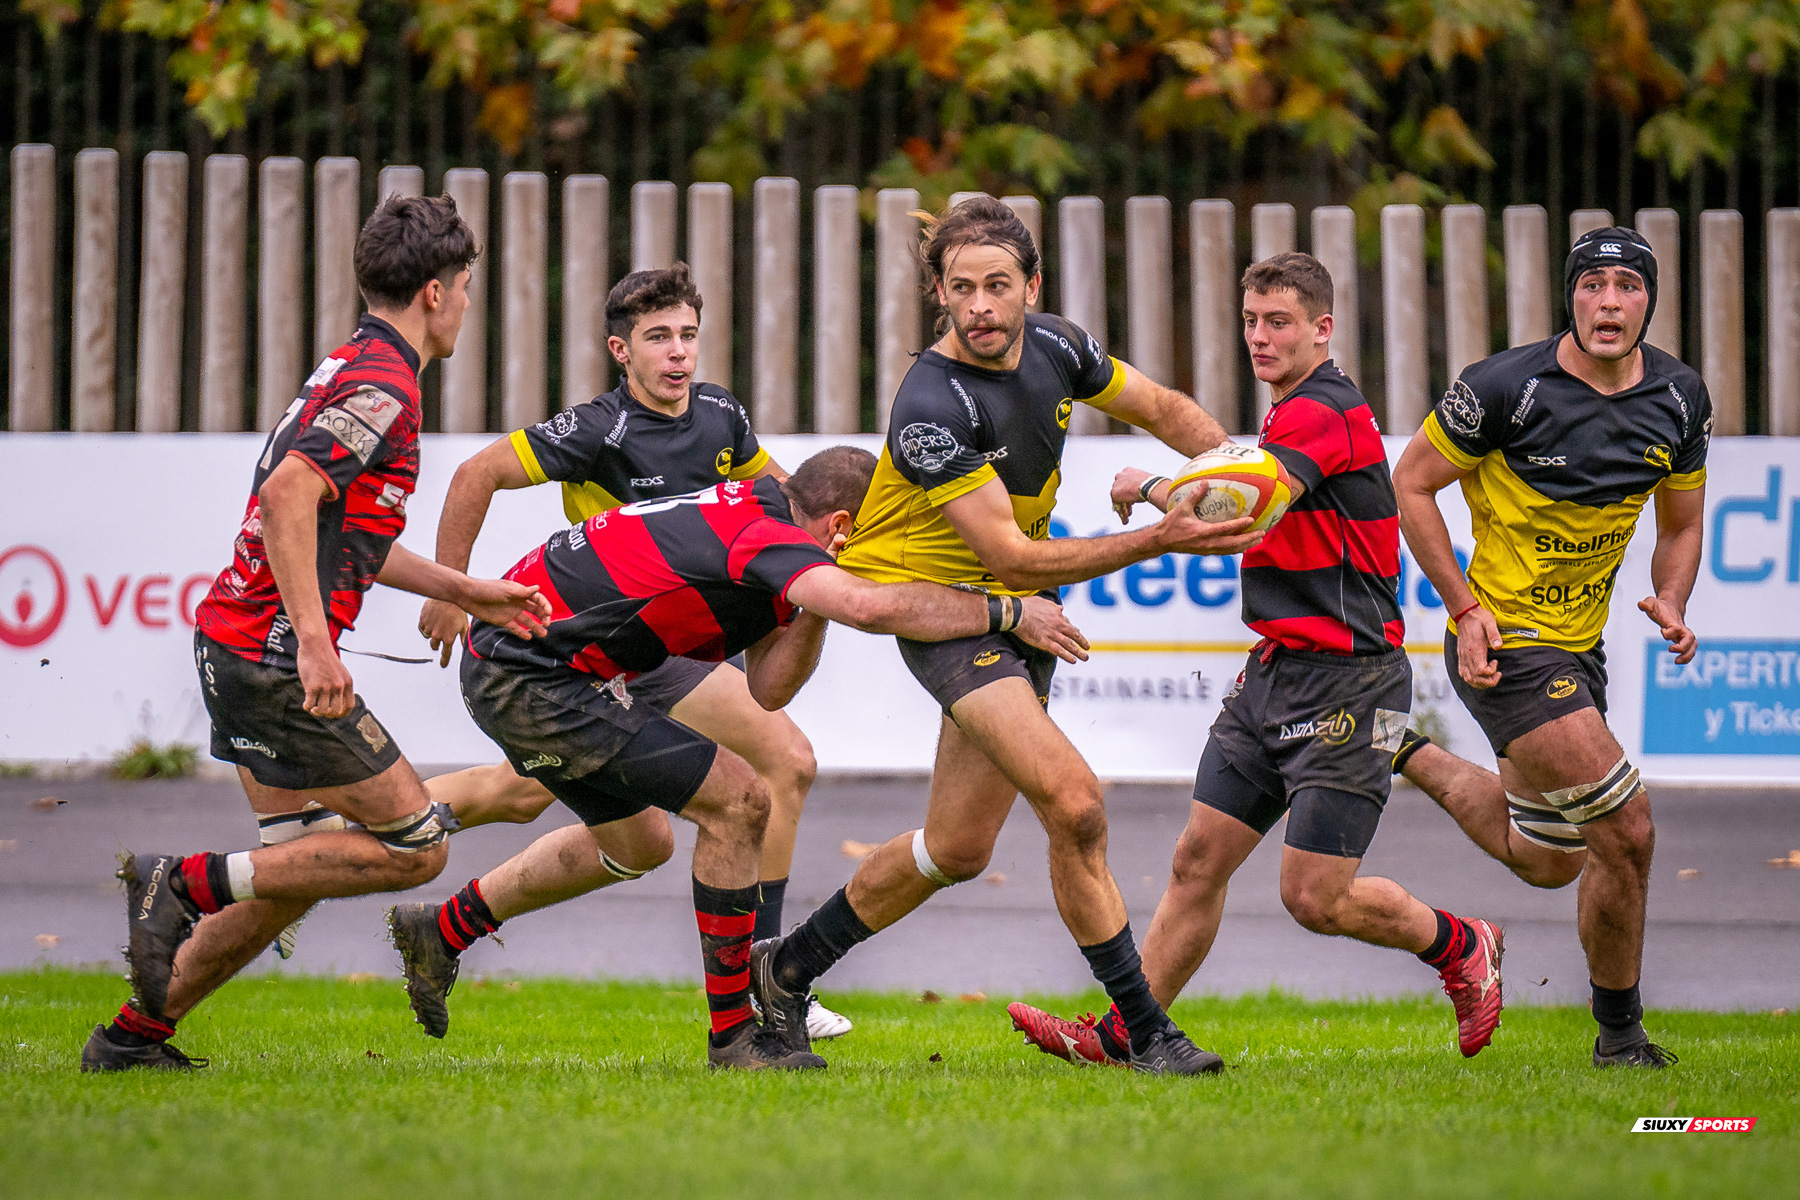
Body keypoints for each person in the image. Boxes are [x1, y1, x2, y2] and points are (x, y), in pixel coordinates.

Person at [747, 197, 1262, 1076]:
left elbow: (1167, 408)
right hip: (944, 610)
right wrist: (1163, 535)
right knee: (1076, 804)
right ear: (938, 297)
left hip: (1007, 603)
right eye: (961, 290)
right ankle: (1146, 1034)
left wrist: (1233, 473)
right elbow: (1014, 563)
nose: (981, 306)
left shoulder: (1060, 344)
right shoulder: (928, 405)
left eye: (997, 285)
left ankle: (785, 968)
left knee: (954, 848)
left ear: (1032, 285)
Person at [396, 447, 1089, 1069]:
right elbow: (871, 608)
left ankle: (443, 929)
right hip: (528, 672)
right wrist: (1007, 613)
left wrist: (815, 602)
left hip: (549, 666)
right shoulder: (772, 537)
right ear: (842, 523)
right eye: (879, 533)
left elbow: (768, 687)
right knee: (740, 802)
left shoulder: (773, 527)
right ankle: (733, 1036)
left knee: (639, 844)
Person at [82, 195, 552, 1072]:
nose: (468, 302)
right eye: (469, 285)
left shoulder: (352, 362)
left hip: (233, 641)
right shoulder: (387, 385)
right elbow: (290, 495)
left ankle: (132, 1036)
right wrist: (313, 642)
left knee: (291, 869)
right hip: (270, 656)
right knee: (418, 848)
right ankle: (177, 881)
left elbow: (351, 532)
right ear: (438, 294)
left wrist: (465, 590)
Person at [1007, 252, 1504, 1069]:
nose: (1260, 337)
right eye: (1251, 321)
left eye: (1279, 322)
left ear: (1322, 329)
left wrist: (1152, 484)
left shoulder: (1323, 408)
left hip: (1349, 677)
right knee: (1196, 860)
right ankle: (1123, 1036)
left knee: (1314, 898)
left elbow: (1244, 510)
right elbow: (1262, 501)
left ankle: (1461, 945)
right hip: (1275, 669)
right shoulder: (1290, 414)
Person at [406, 263, 848, 1039]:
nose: (678, 354)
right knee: (782, 761)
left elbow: (789, 496)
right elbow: (477, 474)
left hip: (650, 647)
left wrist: (833, 541)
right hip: (614, 646)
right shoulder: (596, 429)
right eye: (657, 339)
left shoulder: (720, 415)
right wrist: (449, 588)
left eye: (688, 336)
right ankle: (771, 981)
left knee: (587, 820)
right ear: (621, 350)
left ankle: (431, 914)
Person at [1386, 226, 1707, 1069]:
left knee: (1547, 859)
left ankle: (1389, 740)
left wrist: (1672, 597)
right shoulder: (1505, 387)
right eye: (1593, 285)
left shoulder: (1679, 398)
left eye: (1627, 287)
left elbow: (1682, 523)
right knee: (1627, 830)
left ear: (1649, 300)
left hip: (1581, 649)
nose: (1609, 302)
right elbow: (1410, 485)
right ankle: (1621, 1036)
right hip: (1509, 649)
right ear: (1569, 296)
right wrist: (1462, 608)